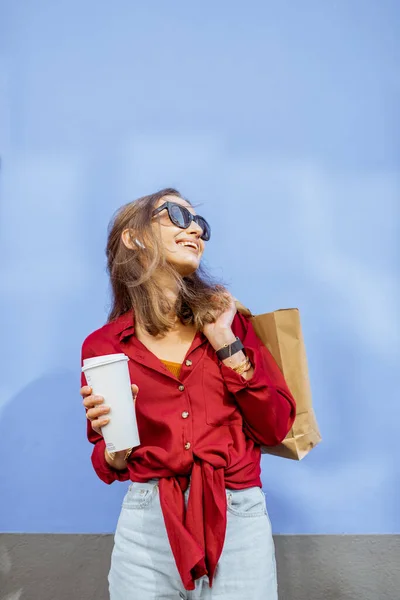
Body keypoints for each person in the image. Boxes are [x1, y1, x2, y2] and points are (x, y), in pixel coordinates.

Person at [80, 188, 296, 600]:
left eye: (201, 225)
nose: (195, 228)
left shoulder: (231, 325)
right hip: (147, 522)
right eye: (178, 215)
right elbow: (108, 462)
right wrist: (113, 443)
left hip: (237, 518)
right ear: (135, 236)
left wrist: (225, 343)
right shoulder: (104, 346)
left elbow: (275, 426)